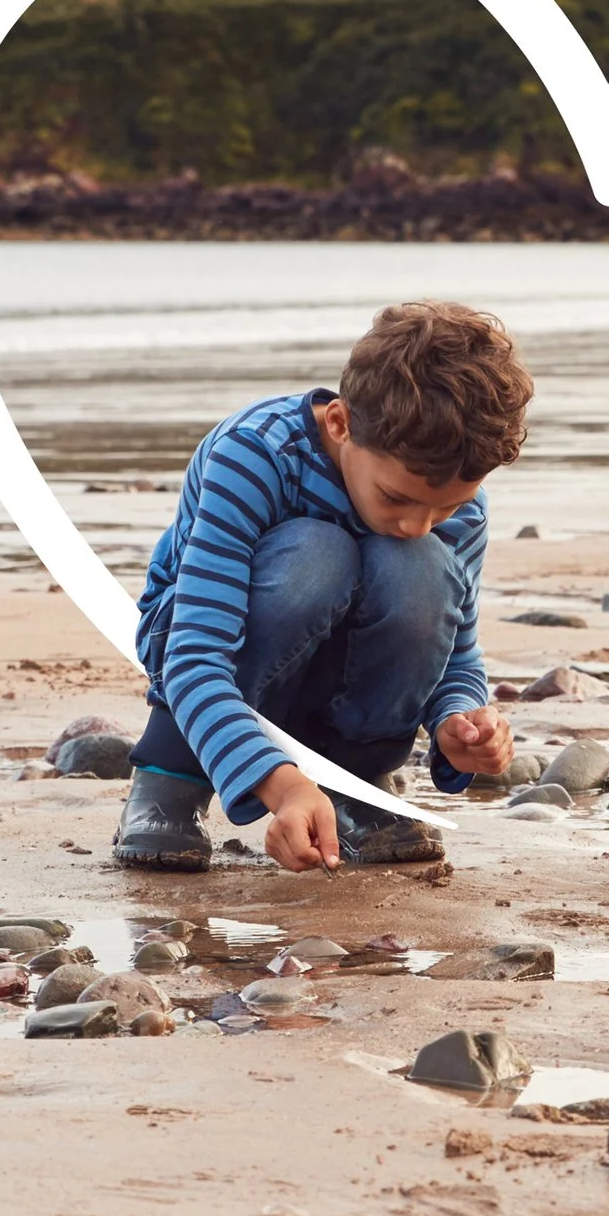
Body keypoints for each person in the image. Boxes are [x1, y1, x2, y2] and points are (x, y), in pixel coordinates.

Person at [113, 300, 533, 873]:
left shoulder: (454, 507)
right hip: (213, 653)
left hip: (343, 687)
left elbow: (455, 654)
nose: (419, 524)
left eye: (447, 507)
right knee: (318, 553)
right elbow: (194, 655)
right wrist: (282, 786)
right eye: (397, 498)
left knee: (419, 565)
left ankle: (354, 780)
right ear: (340, 423)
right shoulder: (255, 456)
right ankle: (173, 774)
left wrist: (457, 721)